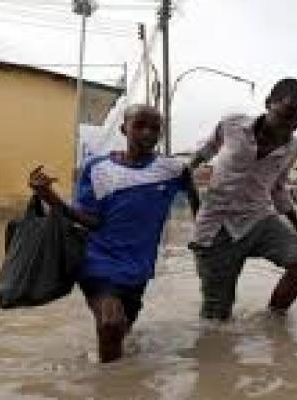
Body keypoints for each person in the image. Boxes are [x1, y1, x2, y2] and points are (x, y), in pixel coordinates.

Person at [28, 104, 199, 362]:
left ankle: (113, 374)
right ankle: (108, 387)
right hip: (98, 261)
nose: (148, 133)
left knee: (122, 331)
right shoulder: (96, 168)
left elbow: (195, 194)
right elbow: (91, 221)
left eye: (155, 129)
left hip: (138, 268)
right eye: (140, 126)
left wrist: (202, 233)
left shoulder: (173, 169)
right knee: (110, 324)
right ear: (124, 129)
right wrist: (51, 198)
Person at [188, 77, 297, 321]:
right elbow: (198, 159)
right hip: (216, 227)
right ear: (269, 103)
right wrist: (196, 209)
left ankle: (273, 322)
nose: (291, 124)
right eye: (286, 114)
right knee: (216, 318)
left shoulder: (293, 147)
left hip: (258, 219)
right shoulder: (231, 125)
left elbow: (278, 189)